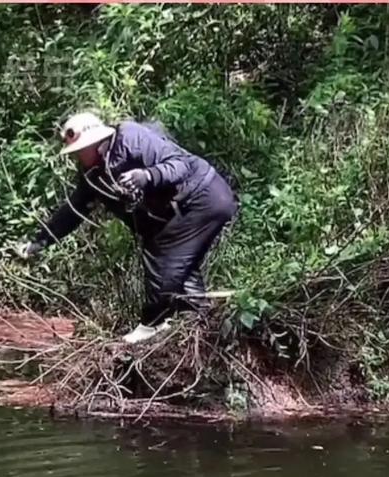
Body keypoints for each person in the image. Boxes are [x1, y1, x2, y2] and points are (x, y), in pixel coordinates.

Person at [16, 111, 238, 344]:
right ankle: (198, 323)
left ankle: (153, 323)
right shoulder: (92, 174)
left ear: (95, 142)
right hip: (182, 213)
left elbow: (180, 165)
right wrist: (41, 240)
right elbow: (74, 210)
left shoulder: (131, 137)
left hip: (205, 197)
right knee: (178, 265)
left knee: (163, 253)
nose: (78, 156)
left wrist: (147, 176)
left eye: (81, 150)